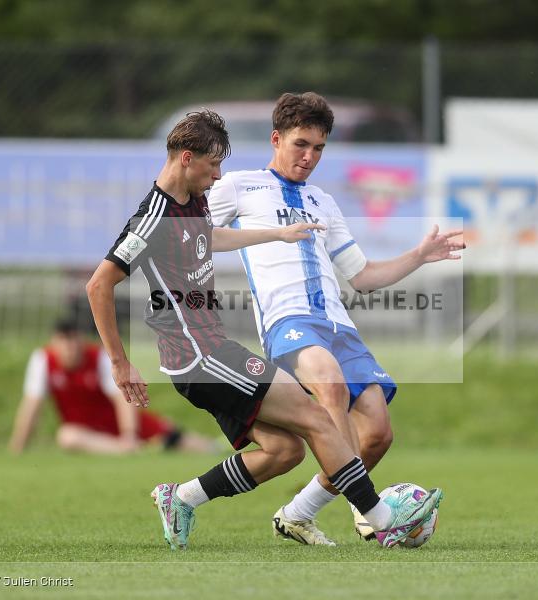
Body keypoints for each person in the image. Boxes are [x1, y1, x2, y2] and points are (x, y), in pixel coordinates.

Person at [85, 109, 442, 550]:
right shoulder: (154, 217)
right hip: (200, 356)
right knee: (316, 416)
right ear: (185, 158)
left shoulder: (192, 200)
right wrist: (120, 364)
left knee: (284, 451)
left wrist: (276, 235)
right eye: (213, 165)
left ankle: (180, 498)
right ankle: (379, 516)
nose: (218, 176)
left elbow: (210, 237)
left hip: (209, 350)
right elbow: (99, 283)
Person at [206, 92, 464, 545]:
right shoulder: (239, 186)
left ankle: (298, 512)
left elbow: (362, 277)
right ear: (276, 138)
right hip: (288, 321)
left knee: (378, 434)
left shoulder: (323, 201)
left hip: (338, 325)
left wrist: (420, 256)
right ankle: (372, 513)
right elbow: (195, 234)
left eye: (319, 148)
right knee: (330, 385)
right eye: (300, 144)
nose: (309, 157)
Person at [8, 318, 220, 455]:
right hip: (91, 434)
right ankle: (128, 450)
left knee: (191, 444)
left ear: (80, 339)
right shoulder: (42, 360)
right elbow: (32, 406)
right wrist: (17, 448)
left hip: (123, 426)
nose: (70, 347)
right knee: (67, 436)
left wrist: (129, 433)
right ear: (54, 342)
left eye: (74, 340)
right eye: (64, 341)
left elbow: (121, 398)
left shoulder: (97, 357)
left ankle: (220, 448)